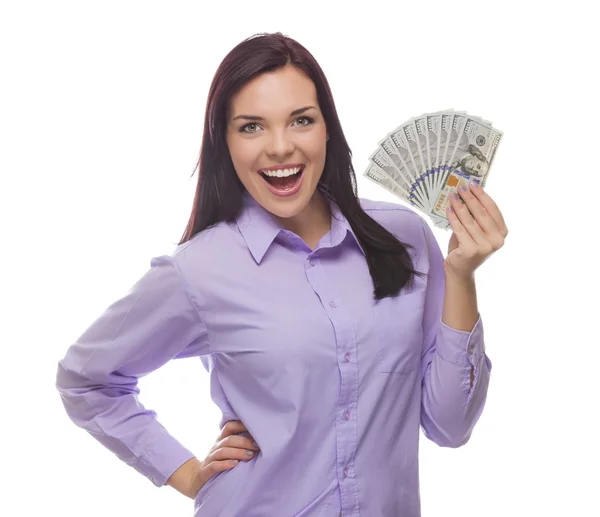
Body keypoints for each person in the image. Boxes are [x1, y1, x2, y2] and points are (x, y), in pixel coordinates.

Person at [55, 32, 508, 517]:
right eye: (251, 127)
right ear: (223, 141)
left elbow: (450, 426)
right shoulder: (200, 270)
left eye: (301, 121)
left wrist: (460, 274)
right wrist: (186, 473)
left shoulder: (405, 238)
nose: (279, 147)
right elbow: (86, 380)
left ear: (327, 129)